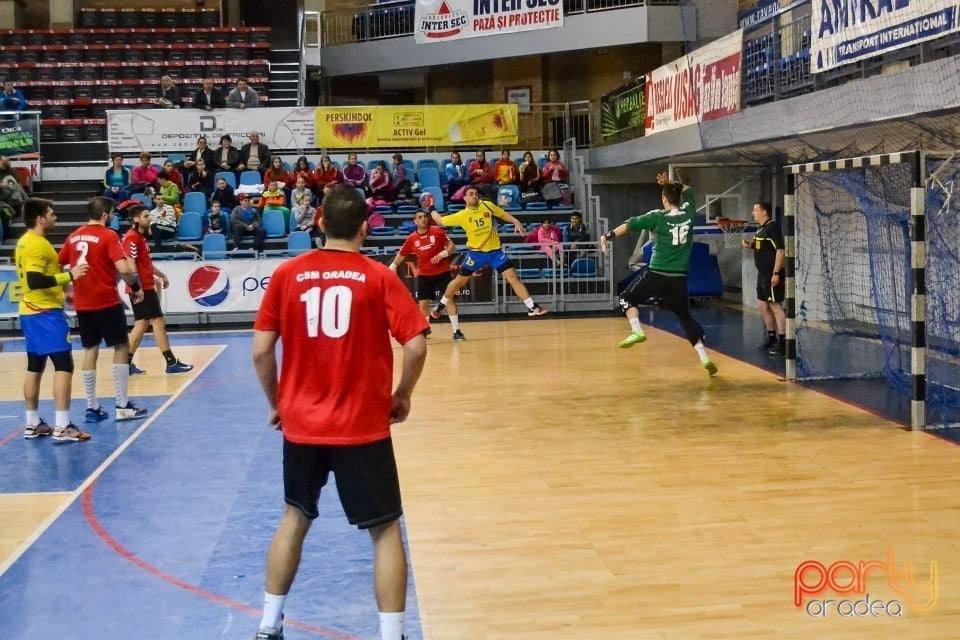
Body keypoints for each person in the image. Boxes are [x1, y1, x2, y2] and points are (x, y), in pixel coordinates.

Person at [251, 183, 428, 640]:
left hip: (303, 426)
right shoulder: (379, 277)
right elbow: (415, 344)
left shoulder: (288, 274)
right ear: (366, 228)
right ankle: (391, 634)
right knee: (385, 530)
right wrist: (402, 394)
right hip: (362, 429)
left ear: (319, 222)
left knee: (294, 517)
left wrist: (278, 403)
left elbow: (260, 351)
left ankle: (268, 625)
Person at [600, 172, 718, 376]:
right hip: (679, 279)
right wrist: (670, 183)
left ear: (664, 199)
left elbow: (629, 225)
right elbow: (688, 190)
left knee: (626, 297)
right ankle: (704, 356)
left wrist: (607, 236)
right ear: (679, 199)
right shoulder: (689, 213)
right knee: (684, 317)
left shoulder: (657, 217)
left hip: (656, 274)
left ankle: (637, 330)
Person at [58, 196, 150, 422]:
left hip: (83, 303)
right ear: (105, 215)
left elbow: (57, 263)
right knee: (121, 347)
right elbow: (124, 268)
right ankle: (122, 405)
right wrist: (135, 286)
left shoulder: (74, 236)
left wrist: (65, 290)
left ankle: (92, 407)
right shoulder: (108, 235)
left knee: (90, 351)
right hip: (106, 301)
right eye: (112, 214)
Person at [16, 198, 91, 441]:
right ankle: (62, 426)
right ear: (40, 219)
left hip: (29, 311)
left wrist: (63, 292)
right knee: (64, 365)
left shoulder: (24, 242)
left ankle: (33, 423)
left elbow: (35, 280)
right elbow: (34, 280)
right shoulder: (38, 245)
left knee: (34, 365)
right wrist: (70, 276)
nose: (55, 217)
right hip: (45, 314)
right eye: (51, 213)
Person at [429, 186, 549, 319]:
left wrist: (515, 221)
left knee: (513, 276)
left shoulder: (487, 205)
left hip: (495, 253)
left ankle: (532, 306)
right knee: (459, 281)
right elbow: (439, 220)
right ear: (465, 198)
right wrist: (431, 207)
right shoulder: (462, 215)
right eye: (471, 194)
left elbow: (502, 214)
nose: (474, 196)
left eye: (476, 194)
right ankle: (440, 305)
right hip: (476, 254)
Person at [122, 205, 194, 375]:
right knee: (158, 321)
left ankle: (124, 364)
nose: (150, 219)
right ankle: (171, 362)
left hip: (144, 286)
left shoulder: (140, 237)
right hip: (141, 288)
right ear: (136, 219)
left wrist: (161, 275)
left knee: (142, 324)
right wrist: (136, 286)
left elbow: (145, 263)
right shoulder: (132, 238)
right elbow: (130, 263)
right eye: (146, 216)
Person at [389, 209, 462, 339]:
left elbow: (451, 246)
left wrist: (442, 254)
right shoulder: (412, 238)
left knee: (449, 299)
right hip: (424, 274)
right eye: (420, 217)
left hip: (442, 272)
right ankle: (426, 329)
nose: (424, 219)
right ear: (415, 221)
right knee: (423, 303)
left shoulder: (437, 231)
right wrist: (393, 266)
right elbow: (402, 254)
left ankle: (457, 331)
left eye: (425, 216)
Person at [742, 201, 786, 355]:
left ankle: (783, 342)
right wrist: (751, 246)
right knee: (763, 306)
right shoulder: (761, 229)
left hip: (771, 273)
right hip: (762, 274)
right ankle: (771, 338)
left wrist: (776, 273)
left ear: (764, 212)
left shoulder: (772, 228)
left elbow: (780, 251)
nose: (753, 212)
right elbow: (764, 247)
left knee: (775, 306)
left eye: (755, 210)